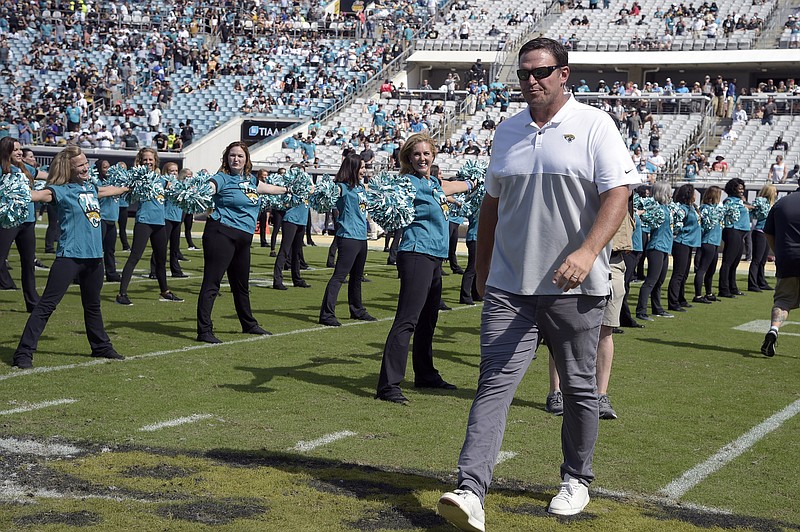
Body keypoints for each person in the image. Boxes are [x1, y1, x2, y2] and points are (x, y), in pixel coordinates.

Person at [437, 38, 637, 530]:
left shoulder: (595, 124)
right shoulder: (506, 131)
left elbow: (619, 193)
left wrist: (589, 252)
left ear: (564, 73)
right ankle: (471, 488)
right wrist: (481, 267)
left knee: (578, 388)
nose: (531, 80)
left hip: (576, 286)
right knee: (493, 386)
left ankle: (576, 478)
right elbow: (490, 204)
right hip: (510, 286)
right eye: (525, 72)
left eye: (542, 71)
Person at [375, 132, 473, 405]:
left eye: (426, 154)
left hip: (435, 257)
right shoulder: (407, 183)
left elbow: (452, 187)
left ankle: (425, 374)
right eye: (416, 154)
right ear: (408, 157)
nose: (422, 158)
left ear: (433, 156)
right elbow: (387, 195)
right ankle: (388, 385)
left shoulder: (433, 183)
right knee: (408, 319)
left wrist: (477, 180)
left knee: (429, 320)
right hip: (416, 253)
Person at [12, 146, 128, 369]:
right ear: (69, 167)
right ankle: (23, 353)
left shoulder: (92, 187)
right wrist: (16, 193)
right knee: (46, 305)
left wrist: (129, 186)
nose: (86, 167)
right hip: (70, 256)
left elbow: (108, 191)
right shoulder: (59, 190)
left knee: (93, 305)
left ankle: (101, 347)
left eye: (86, 163)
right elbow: (38, 195)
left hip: (95, 258)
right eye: (81, 165)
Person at [545, 208, 635, 421]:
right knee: (563, 327)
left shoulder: (623, 184)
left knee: (606, 330)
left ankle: (601, 395)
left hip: (613, 260)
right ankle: (555, 391)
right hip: (577, 257)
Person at [197, 142, 287, 344]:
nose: (235, 159)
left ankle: (249, 324)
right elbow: (208, 188)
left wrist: (290, 189)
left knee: (241, 285)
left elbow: (268, 188)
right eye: (232, 156)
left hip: (243, 239)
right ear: (226, 158)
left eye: (240, 156)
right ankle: (204, 330)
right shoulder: (221, 178)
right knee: (212, 283)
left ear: (247, 159)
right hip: (221, 233)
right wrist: (198, 191)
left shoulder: (250, 180)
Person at [116, 148, 183, 306]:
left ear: (155, 161)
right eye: (145, 159)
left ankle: (165, 291)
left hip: (160, 223)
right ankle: (121, 294)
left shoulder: (161, 180)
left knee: (161, 259)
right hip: (144, 221)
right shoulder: (138, 178)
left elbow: (176, 190)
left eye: (150, 160)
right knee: (135, 257)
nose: (148, 162)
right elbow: (127, 188)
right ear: (140, 161)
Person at [318, 153, 377, 327]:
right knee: (339, 276)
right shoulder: (341, 187)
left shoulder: (360, 188)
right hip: (348, 237)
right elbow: (327, 192)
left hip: (361, 237)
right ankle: (327, 314)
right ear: (353, 168)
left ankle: (357, 310)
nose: (364, 170)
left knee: (357, 277)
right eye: (362, 167)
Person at [0, 137, 39, 312]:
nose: (19, 152)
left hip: (28, 222)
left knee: (28, 263)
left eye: (20, 149)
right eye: (15, 149)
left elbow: (46, 176)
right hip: (8, 222)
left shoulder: (26, 169)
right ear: (6, 151)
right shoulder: (2, 170)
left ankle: (32, 302)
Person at [761, 188, 800, 357]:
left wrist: (778, 252)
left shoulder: (781, 203)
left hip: (788, 258)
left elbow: (767, 232)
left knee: (783, 301)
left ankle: (773, 330)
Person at [635, 181, 674, 321]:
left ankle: (657, 308)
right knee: (651, 281)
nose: (671, 194)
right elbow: (643, 216)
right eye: (669, 191)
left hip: (664, 248)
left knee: (659, 281)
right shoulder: (655, 207)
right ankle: (641, 311)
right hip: (656, 247)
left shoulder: (666, 208)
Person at [272, 165, 313, 290]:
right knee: (285, 250)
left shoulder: (306, 185)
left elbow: (312, 191)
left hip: (302, 221)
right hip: (291, 220)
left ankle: (297, 278)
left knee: (297, 252)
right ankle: (277, 280)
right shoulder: (291, 185)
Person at [149, 162, 187, 279]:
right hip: (166, 217)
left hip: (177, 218)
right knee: (161, 246)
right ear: (166, 171)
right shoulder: (163, 183)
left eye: (176, 171)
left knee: (175, 247)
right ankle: (154, 271)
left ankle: (176, 270)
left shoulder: (180, 184)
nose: (174, 173)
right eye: (172, 171)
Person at [667, 184, 701, 311]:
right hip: (682, 242)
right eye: (693, 193)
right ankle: (673, 302)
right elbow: (676, 226)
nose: (695, 195)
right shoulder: (682, 209)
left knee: (685, 273)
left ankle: (681, 298)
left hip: (690, 242)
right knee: (678, 274)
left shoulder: (692, 207)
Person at [718, 178, 751, 298]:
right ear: (733, 189)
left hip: (741, 233)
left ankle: (733, 287)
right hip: (733, 230)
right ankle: (724, 289)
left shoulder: (740, 201)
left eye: (743, 188)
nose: (742, 190)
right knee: (728, 261)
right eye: (739, 188)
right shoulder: (729, 201)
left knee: (735, 262)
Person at [693, 186, 723, 303]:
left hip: (715, 242)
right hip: (708, 241)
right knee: (702, 269)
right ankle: (698, 295)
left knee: (711, 270)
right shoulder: (705, 209)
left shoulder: (716, 208)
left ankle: (709, 293)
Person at [748, 184, 777, 292]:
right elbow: (753, 209)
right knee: (757, 259)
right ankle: (752, 283)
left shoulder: (772, 203)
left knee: (763, 259)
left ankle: (761, 281)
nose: (776, 194)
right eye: (774, 191)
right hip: (760, 231)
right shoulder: (761, 201)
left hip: (767, 232)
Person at [96, 160, 122, 282]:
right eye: (104, 167)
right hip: (101, 219)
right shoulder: (97, 182)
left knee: (110, 249)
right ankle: (94, 273)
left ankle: (111, 273)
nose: (107, 169)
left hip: (112, 219)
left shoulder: (115, 181)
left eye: (108, 167)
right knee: (96, 249)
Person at [459, 211, 481, 305]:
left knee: (478, 268)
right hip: (473, 238)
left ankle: (476, 294)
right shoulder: (475, 205)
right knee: (471, 268)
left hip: (479, 238)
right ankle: (465, 296)